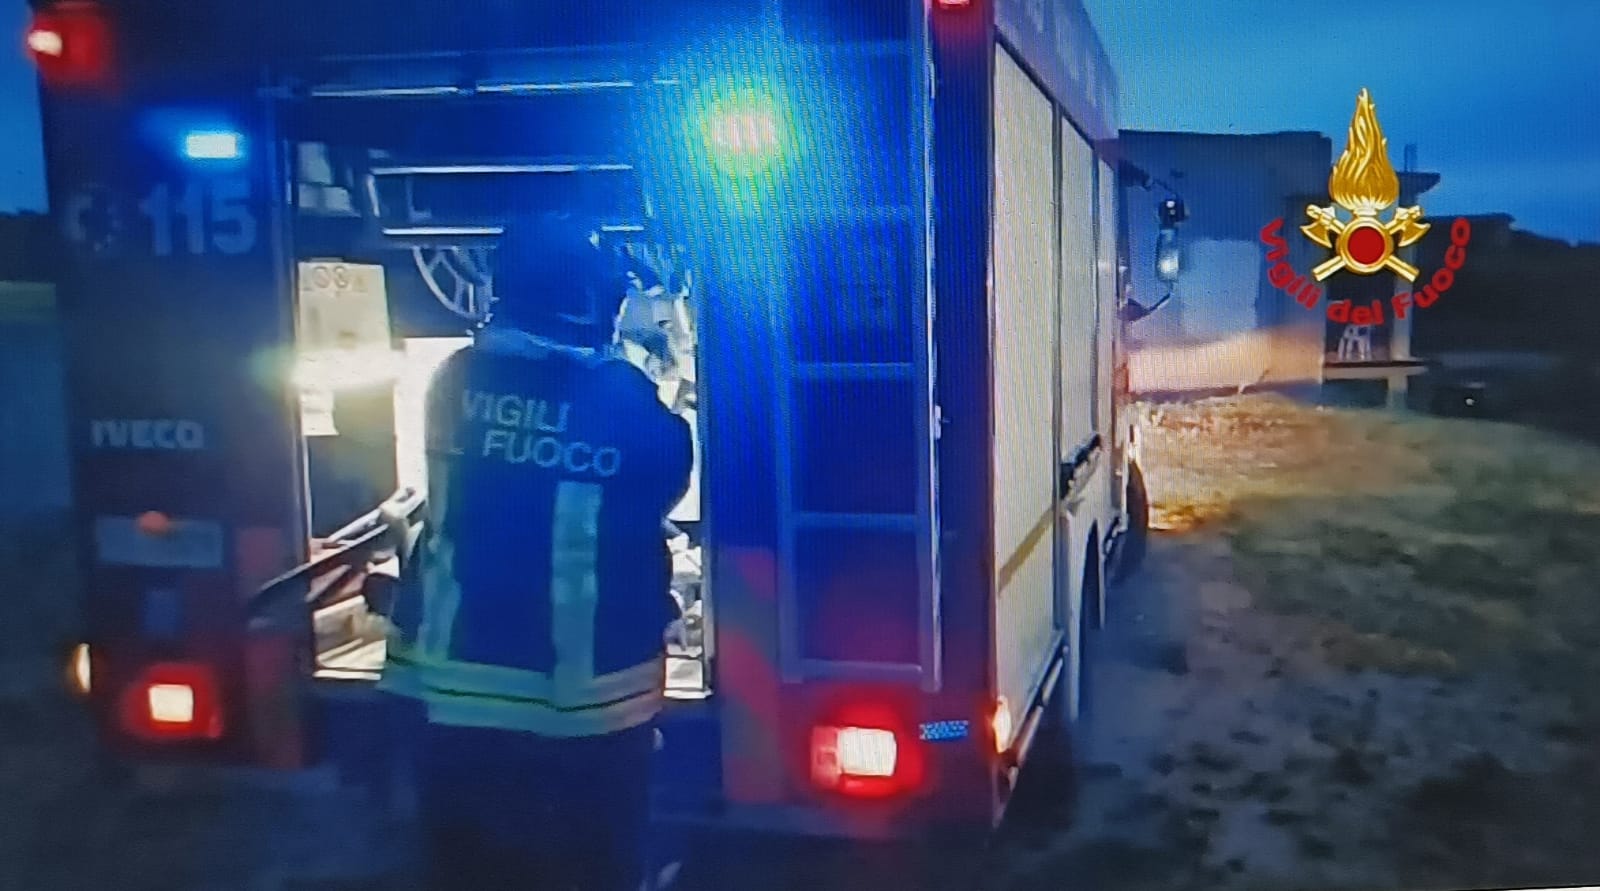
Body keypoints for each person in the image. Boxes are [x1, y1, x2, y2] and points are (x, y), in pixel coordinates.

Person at [378, 212, 694, 891]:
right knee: (589, 868)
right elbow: (670, 466)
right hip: (584, 701)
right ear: (588, 300)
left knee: (470, 871)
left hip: (457, 694)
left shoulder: (454, 377)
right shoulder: (616, 394)